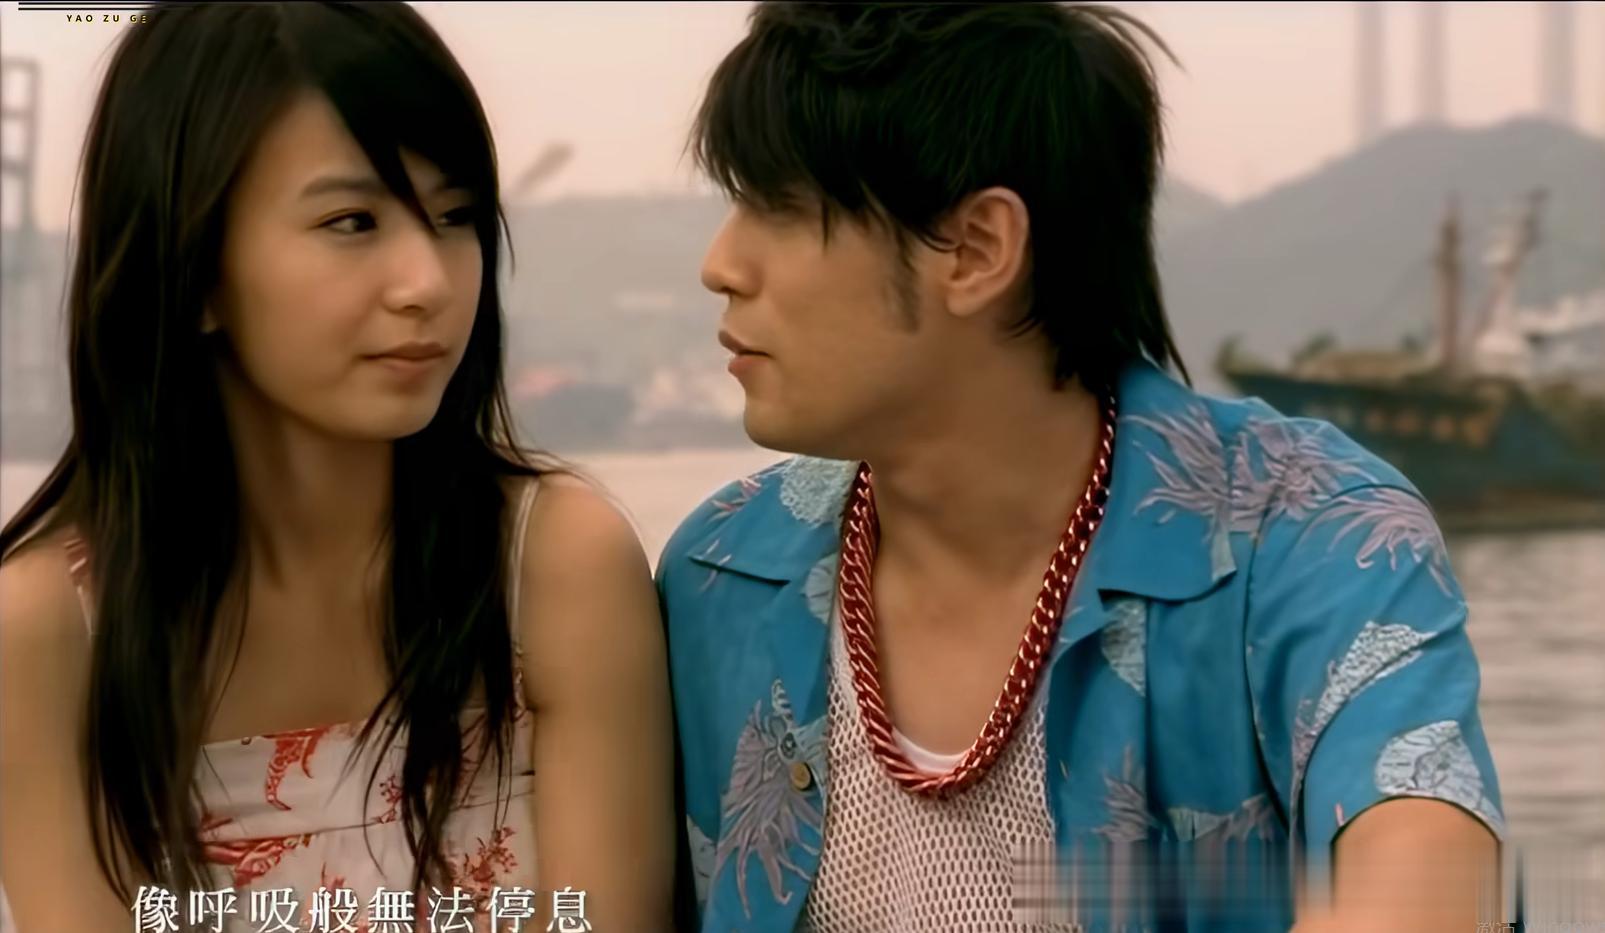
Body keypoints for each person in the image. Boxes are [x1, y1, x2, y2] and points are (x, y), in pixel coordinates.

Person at [657, 3, 1504, 930]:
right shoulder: (719, 572)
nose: (719, 264)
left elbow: (1425, 886)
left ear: (976, 249)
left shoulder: (1313, 536)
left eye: (780, 208)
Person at [0, 3, 674, 930]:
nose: (428, 282)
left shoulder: (553, 566)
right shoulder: (53, 633)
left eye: (454, 217)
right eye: (353, 220)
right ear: (192, 268)